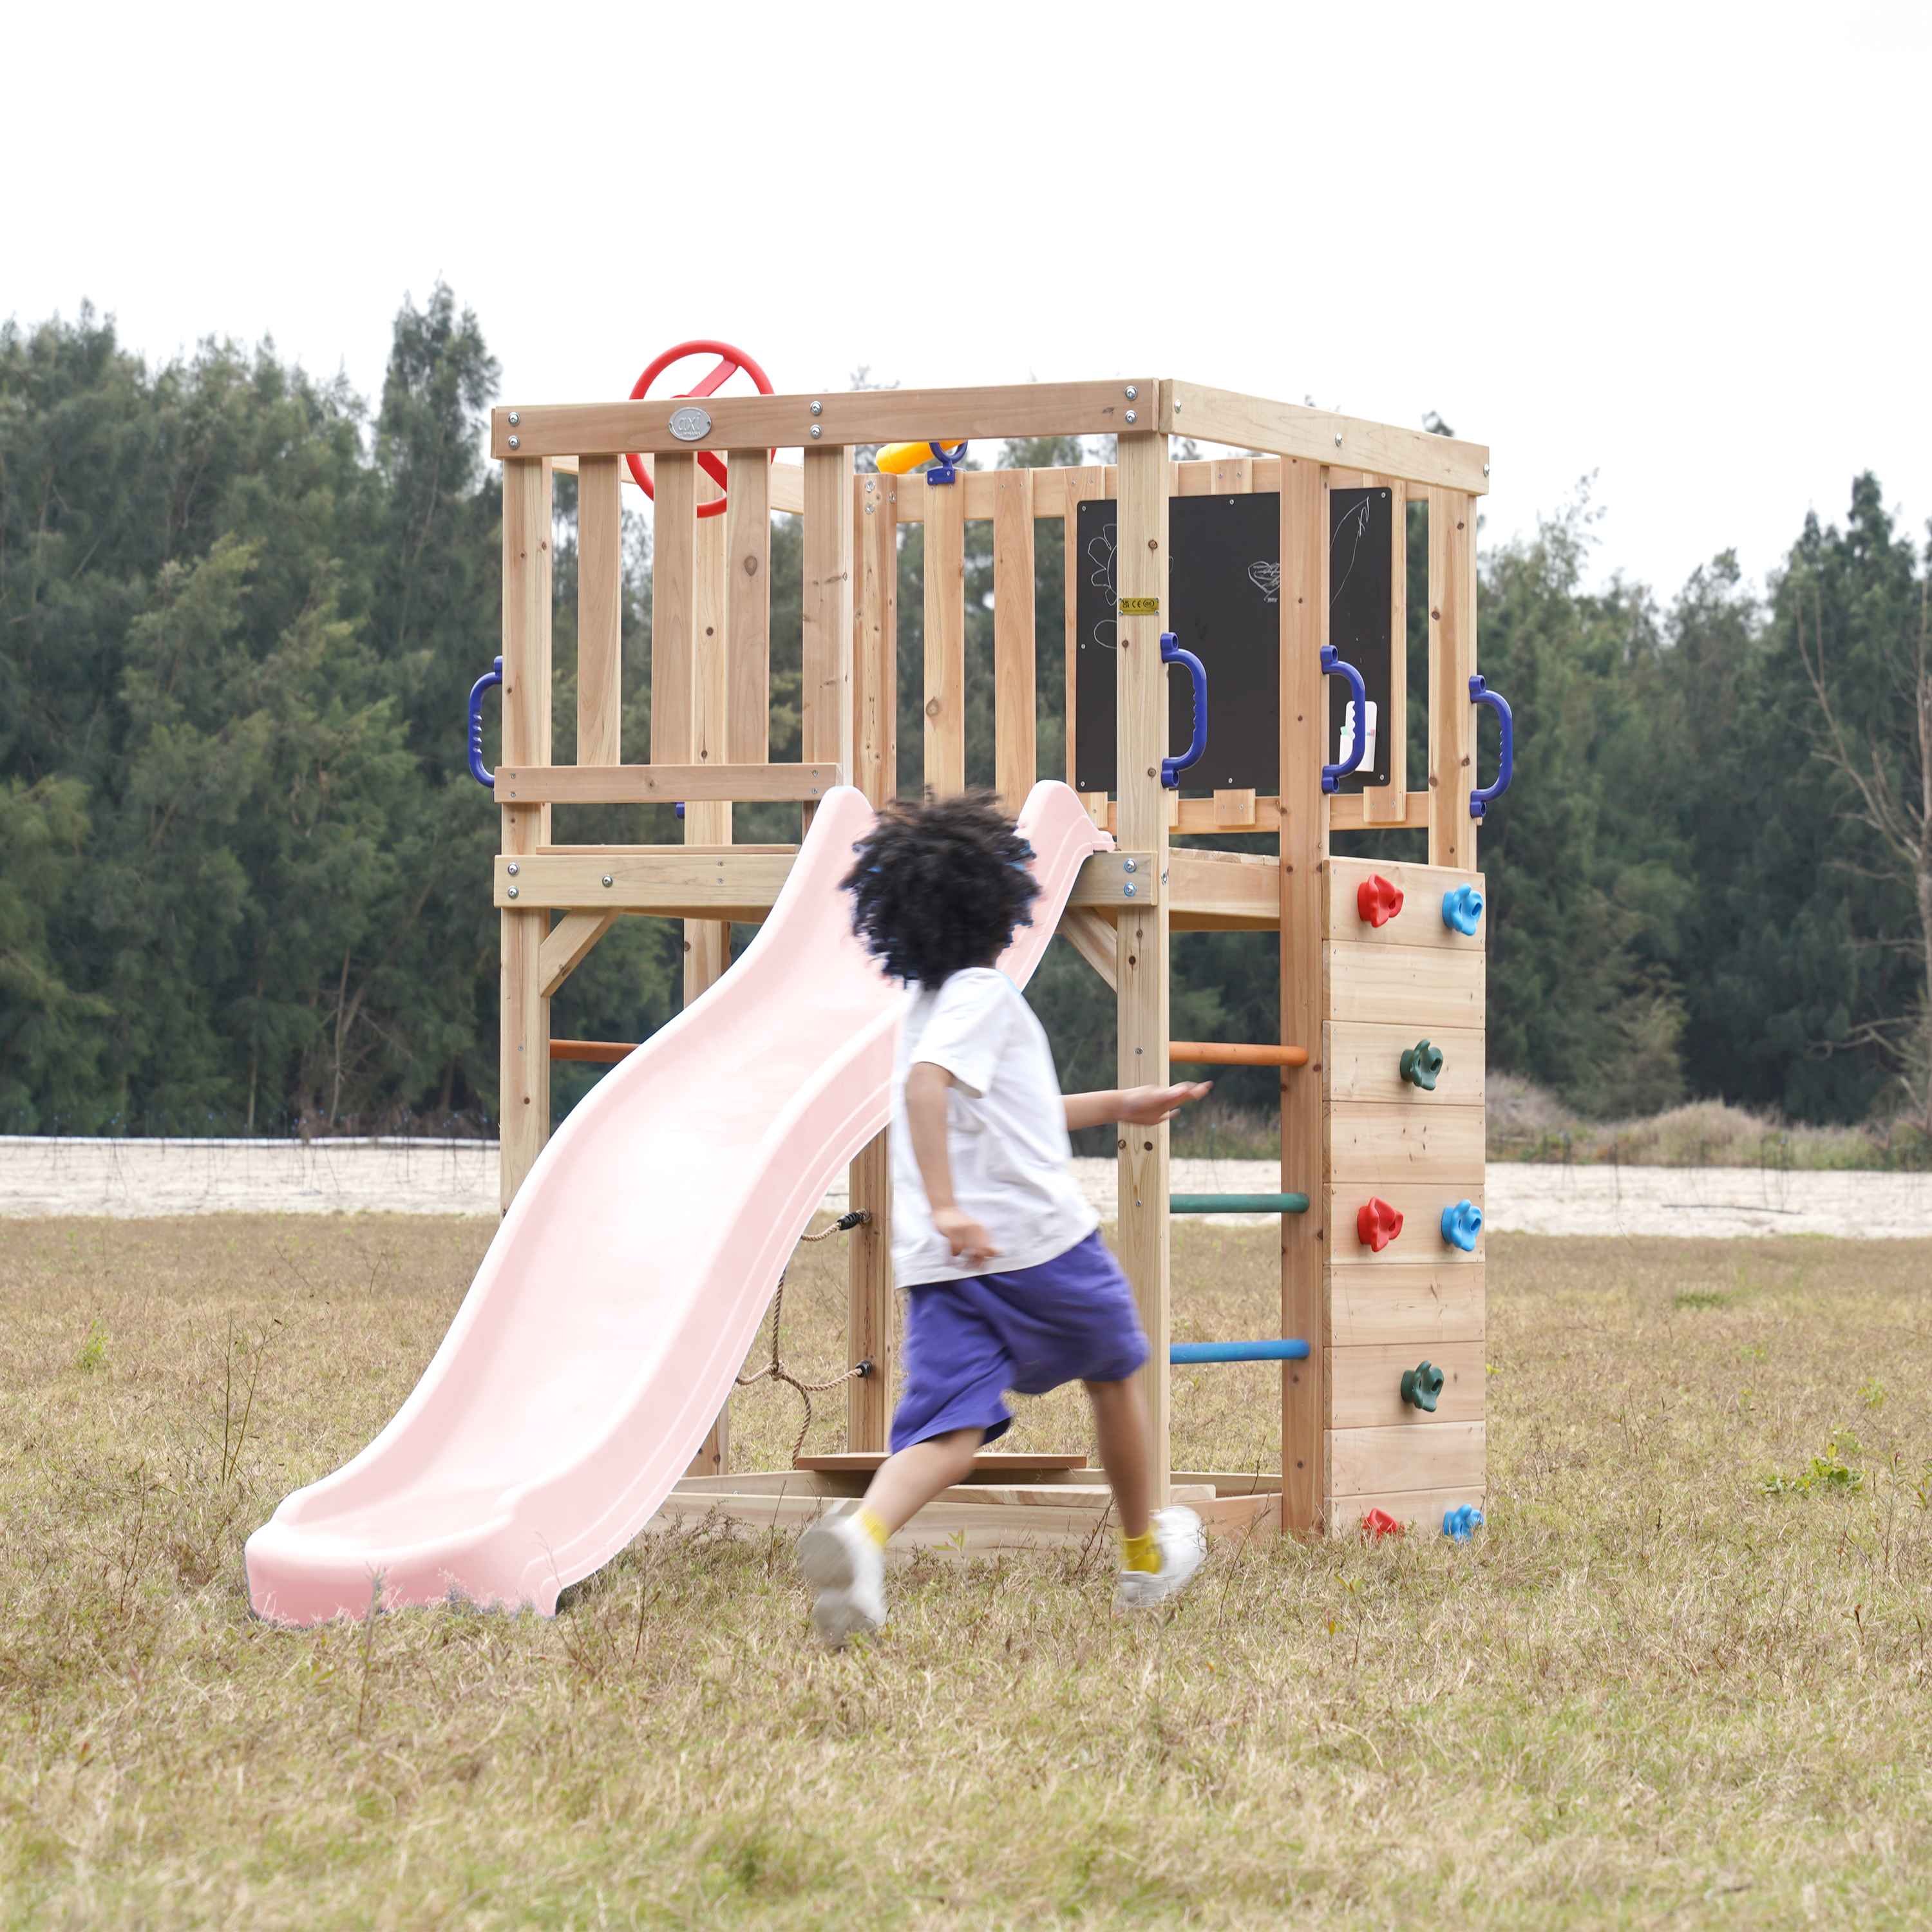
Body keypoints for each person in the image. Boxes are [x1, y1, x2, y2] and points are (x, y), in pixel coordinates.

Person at [797, 792, 1214, 1649]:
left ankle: (862, 1535)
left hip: (945, 1267)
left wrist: (1121, 1104)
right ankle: (1143, 1555)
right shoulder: (985, 994)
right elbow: (929, 1089)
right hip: (1034, 1243)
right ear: (1000, 906)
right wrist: (952, 1204)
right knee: (1116, 1370)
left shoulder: (927, 1007)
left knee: (951, 1429)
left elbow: (1013, 1113)